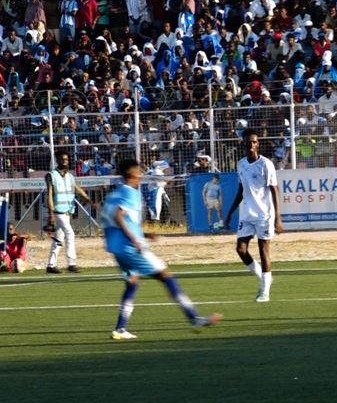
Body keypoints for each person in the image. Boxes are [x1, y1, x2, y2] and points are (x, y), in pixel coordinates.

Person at [102, 159, 221, 340]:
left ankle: (120, 329)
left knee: (132, 282)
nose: (140, 178)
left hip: (115, 248)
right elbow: (119, 215)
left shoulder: (113, 195)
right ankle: (194, 319)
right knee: (166, 276)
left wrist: (144, 233)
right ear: (133, 175)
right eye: (139, 174)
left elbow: (115, 220)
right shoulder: (131, 193)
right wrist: (135, 239)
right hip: (131, 247)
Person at [224, 128, 283, 303]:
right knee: (241, 250)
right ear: (243, 143)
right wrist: (230, 212)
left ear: (258, 144)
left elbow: (274, 189)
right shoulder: (241, 164)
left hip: (265, 215)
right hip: (247, 215)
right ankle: (263, 276)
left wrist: (278, 218)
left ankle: (265, 292)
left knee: (263, 250)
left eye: (254, 142)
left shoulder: (266, 164)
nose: (251, 144)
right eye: (248, 142)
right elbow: (241, 189)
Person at [45, 149, 95, 273]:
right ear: (57, 160)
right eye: (62, 159)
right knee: (70, 233)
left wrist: (88, 200)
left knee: (58, 239)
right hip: (58, 212)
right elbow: (50, 195)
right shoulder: (51, 175)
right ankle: (71, 263)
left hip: (67, 211)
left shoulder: (70, 176)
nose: (65, 161)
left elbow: (78, 189)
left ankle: (51, 265)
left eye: (66, 159)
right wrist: (51, 213)